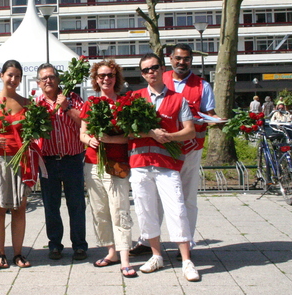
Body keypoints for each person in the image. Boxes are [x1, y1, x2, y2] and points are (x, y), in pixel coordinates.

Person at [130, 43, 219, 260]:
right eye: (178, 58)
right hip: (160, 149)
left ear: (191, 60)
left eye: (186, 59)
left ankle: (186, 243)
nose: (182, 62)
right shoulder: (160, 77)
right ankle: (147, 240)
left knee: (185, 198)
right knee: (152, 197)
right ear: (170, 60)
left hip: (189, 147)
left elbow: (210, 113)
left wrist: (218, 121)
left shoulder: (202, 86)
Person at [128, 53, 199, 282]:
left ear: (162, 69)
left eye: (154, 67)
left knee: (177, 209)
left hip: (167, 165)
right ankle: (156, 255)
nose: (151, 72)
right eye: (146, 69)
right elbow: (127, 132)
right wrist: (150, 133)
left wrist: (169, 136)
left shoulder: (178, 99)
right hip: (140, 164)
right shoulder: (135, 98)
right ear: (142, 74)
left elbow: (190, 131)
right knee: (145, 210)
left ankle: (187, 260)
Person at [79, 59, 135, 277]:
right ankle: (111, 251)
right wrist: (88, 140)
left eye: (110, 75)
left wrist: (108, 140)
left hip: (116, 164)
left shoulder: (124, 102)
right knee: (100, 210)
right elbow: (82, 133)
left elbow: (130, 136)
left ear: (116, 78)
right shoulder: (90, 103)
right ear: (95, 79)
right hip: (93, 164)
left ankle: (125, 258)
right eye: (101, 75)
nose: (105, 79)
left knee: (119, 209)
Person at [0, 60, 33, 269]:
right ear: (1, 75)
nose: (13, 79)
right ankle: (0, 253)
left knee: (20, 208)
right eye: (10, 74)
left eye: (17, 76)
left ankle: (18, 253)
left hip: (20, 161)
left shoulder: (27, 104)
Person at [35, 63, 87, 261]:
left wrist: (67, 108)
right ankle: (55, 244)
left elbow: (84, 121)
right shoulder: (36, 104)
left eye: (52, 77)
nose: (48, 81)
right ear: (39, 83)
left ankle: (80, 245)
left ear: (58, 79)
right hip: (48, 161)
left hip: (72, 159)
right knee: (51, 205)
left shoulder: (72, 98)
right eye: (44, 78)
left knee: (76, 205)